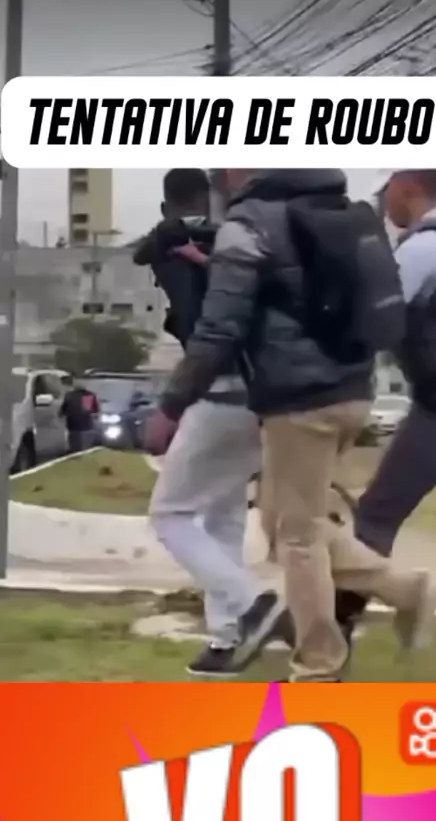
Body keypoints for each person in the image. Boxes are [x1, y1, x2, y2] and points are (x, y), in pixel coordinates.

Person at [145, 168, 436, 683]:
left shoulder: (250, 223)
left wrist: (172, 405)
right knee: (287, 523)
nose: (221, 178)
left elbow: (218, 328)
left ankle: (317, 663)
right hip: (353, 391)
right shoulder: (338, 212)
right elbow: (293, 288)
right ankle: (407, 589)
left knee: (297, 538)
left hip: (298, 400)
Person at [134, 168, 291, 677]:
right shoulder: (244, 243)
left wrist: (172, 406)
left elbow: (205, 329)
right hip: (265, 396)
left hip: (218, 394)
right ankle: (226, 639)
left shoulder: (173, 249)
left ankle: (254, 603)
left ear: (166, 207)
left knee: (170, 515)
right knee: (224, 516)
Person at [336, 169, 436, 630]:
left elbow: (378, 316)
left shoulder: (424, 247)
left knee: (376, 515)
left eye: (387, 194)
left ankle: (334, 633)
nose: (385, 205)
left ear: (405, 188)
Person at [60, 381, 99, 452]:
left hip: (72, 422)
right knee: (85, 439)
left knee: (73, 437)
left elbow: (64, 408)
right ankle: (83, 449)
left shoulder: (69, 395)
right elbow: (91, 410)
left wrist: (61, 414)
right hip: (85, 423)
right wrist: (95, 416)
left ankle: (73, 449)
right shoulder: (89, 395)